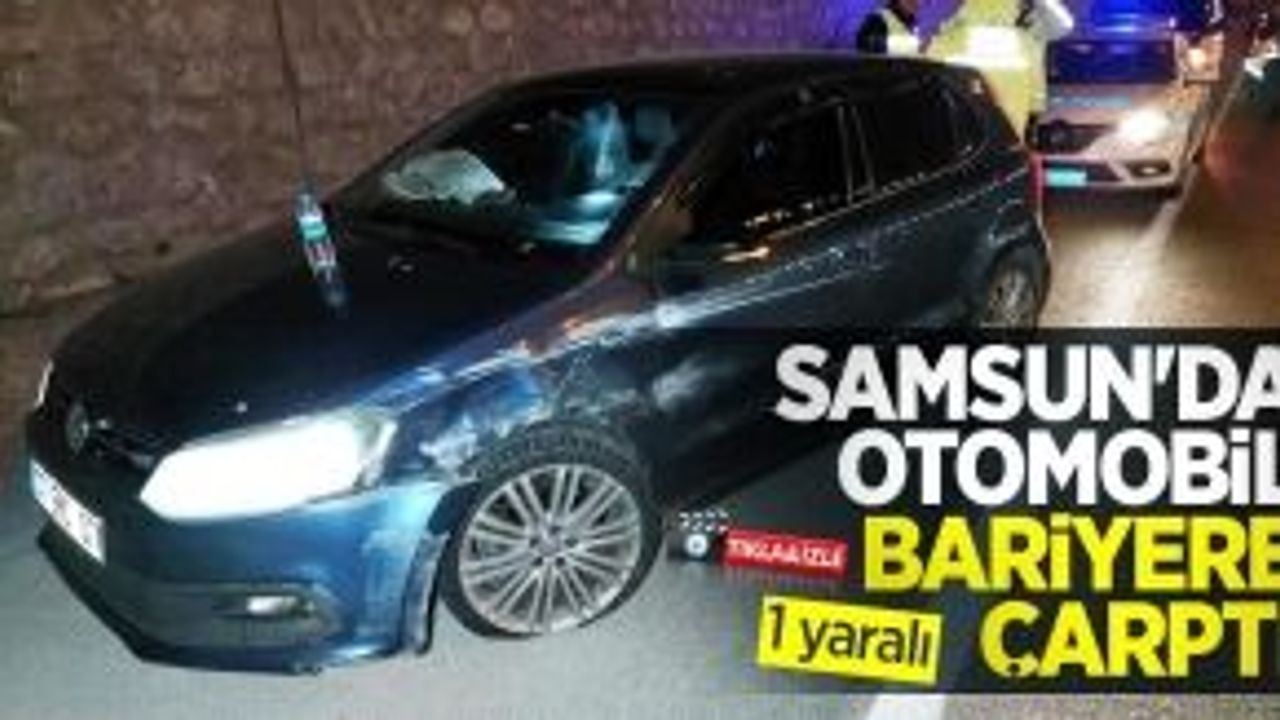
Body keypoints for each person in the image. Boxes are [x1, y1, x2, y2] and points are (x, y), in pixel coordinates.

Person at [926, 0, 1074, 138]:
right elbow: (1061, 26)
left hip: (963, 107)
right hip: (1006, 108)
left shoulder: (948, 24)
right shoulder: (1023, 25)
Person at [856, 0, 922, 55]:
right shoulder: (878, 19)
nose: (915, 1)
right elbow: (864, 45)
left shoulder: (914, 24)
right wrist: (911, 46)